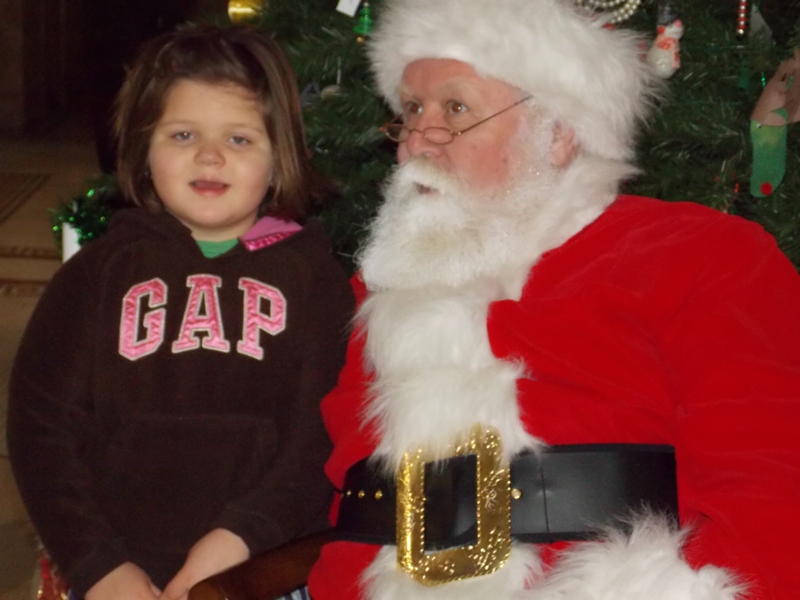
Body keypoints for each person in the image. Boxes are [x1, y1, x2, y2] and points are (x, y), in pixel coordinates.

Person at [306, 1, 800, 599]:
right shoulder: (385, 286)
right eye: (411, 111)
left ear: (559, 134)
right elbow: (349, 507)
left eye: (455, 109)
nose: (415, 143)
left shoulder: (699, 253)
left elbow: (771, 500)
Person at [7, 24, 354, 600]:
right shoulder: (96, 274)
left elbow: (322, 433)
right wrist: (96, 563)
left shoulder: (315, 281)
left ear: (279, 157)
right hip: (115, 573)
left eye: (239, 138)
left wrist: (240, 539)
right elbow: (40, 426)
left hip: (256, 570)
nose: (210, 156)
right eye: (183, 134)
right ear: (144, 149)